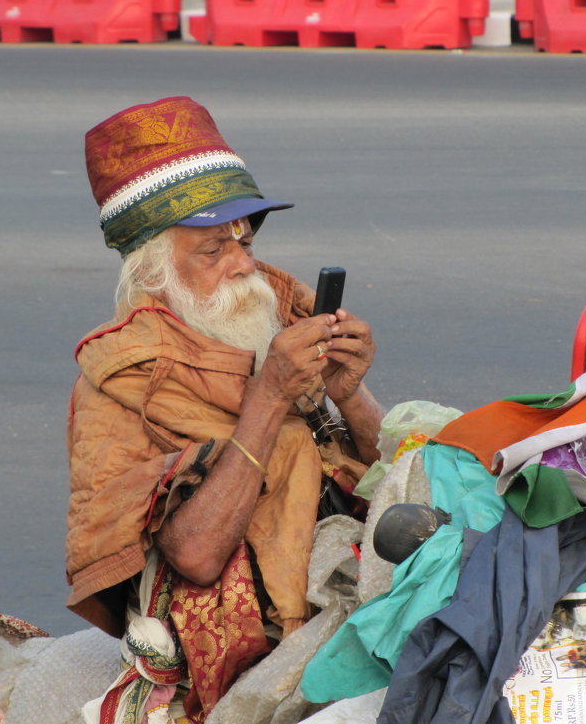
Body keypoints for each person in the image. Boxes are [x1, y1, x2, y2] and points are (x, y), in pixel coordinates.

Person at [65, 96, 384, 722]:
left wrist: (351, 394)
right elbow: (195, 556)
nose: (244, 265)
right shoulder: (121, 379)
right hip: (236, 650)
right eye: (213, 251)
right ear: (154, 272)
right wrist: (267, 399)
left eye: (244, 237)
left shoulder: (281, 312)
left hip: (348, 587)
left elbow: (389, 484)